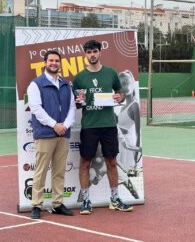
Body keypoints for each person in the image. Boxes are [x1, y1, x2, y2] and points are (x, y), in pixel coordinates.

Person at [73, 39, 133, 215]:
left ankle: (114, 199)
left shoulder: (111, 73)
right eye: (89, 52)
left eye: (95, 51)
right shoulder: (79, 78)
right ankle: (85, 201)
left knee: (112, 162)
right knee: (85, 162)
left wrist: (119, 98)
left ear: (100, 52)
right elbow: (78, 104)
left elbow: (121, 94)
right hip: (89, 126)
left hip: (108, 125)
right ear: (85, 55)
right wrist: (78, 101)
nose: (92, 55)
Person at [27, 50, 76, 219]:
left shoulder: (66, 85)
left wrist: (65, 126)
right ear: (45, 63)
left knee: (59, 171)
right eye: (51, 60)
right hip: (45, 133)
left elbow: (72, 108)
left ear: (59, 63)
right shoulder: (36, 84)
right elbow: (36, 109)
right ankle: (36, 205)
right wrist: (55, 125)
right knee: (40, 171)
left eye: (57, 61)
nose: (54, 63)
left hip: (63, 133)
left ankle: (57, 204)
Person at [116, 70, 142, 177]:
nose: (125, 85)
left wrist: (136, 158)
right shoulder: (122, 108)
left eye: (126, 82)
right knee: (119, 175)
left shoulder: (135, 105)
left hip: (128, 144)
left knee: (126, 175)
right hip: (119, 144)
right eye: (122, 83)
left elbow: (138, 133)